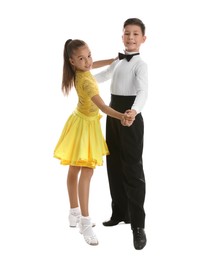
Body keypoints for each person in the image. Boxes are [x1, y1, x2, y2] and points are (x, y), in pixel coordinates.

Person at [53, 39, 133, 246]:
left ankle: (73, 213)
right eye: (82, 58)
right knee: (85, 172)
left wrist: (111, 60)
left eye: (89, 55)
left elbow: (92, 66)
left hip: (80, 121)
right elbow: (105, 108)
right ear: (72, 61)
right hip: (85, 127)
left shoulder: (79, 70)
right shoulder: (86, 82)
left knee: (74, 169)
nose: (88, 61)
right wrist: (121, 116)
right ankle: (85, 222)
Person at [93, 18, 148, 250]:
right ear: (122, 36)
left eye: (136, 34)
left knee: (132, 169)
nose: (131, 38)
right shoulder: (118, 61)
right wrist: (82, 80)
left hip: (129, 117)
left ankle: (138, 225)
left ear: (143, 39)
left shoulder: (140, 64)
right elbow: (103, 76)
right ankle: (119, 213)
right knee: (113, 164)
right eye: (127, 33)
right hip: (112, 114)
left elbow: (143, 91)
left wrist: (133, 111)